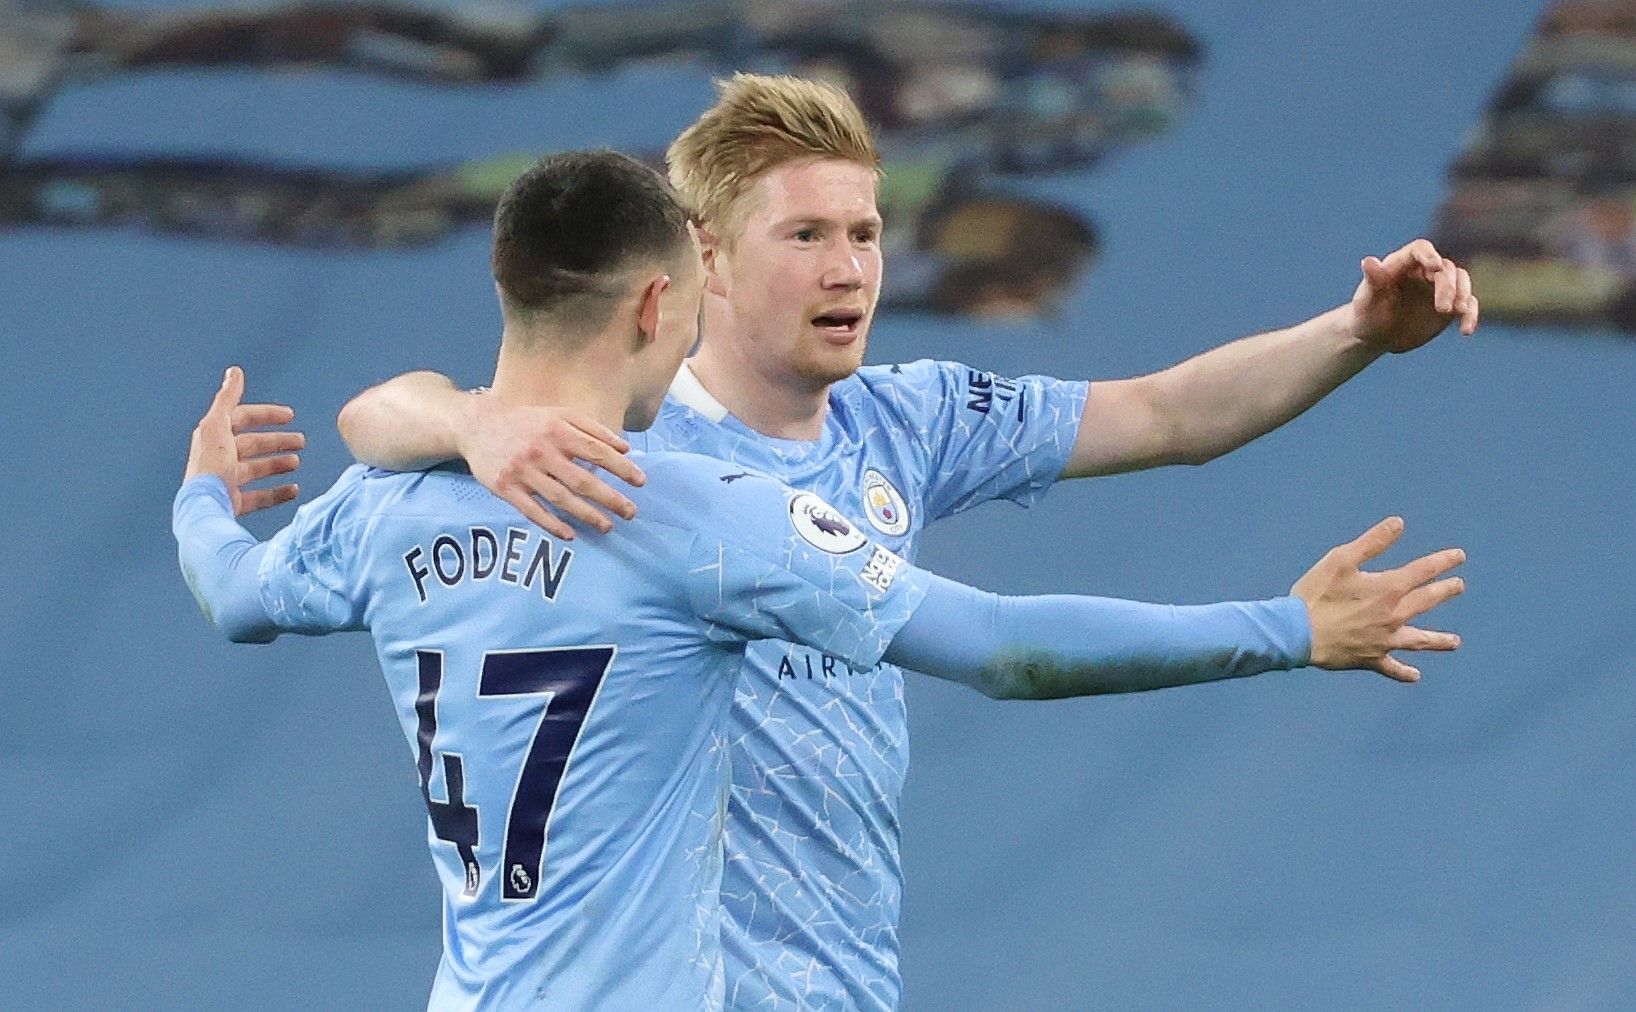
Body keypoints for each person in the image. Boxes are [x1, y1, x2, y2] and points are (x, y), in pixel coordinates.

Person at [330, 74, 1479, 1012]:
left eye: (866, 232)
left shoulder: (906, 415)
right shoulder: (620, 444)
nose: (849, 267)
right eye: (806, 234)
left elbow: (1167, 414)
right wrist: (470, 421)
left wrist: (1357, 331)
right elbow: (382, 417)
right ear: (703, 261)